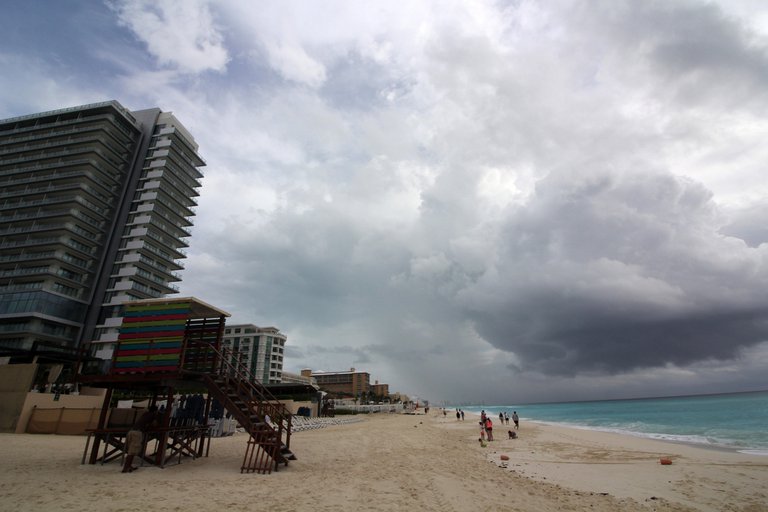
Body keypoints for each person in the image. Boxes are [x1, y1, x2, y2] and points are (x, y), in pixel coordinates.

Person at [122, 405, 159, 473]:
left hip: (131, 431)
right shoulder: (153, 415)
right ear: (155, 411)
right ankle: (126, 468)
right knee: (132, 451)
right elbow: (155, 424)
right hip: (137, 432)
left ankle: (128, 466)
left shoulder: (145, 414)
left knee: (130, 450)